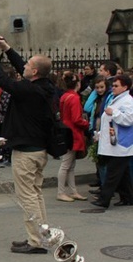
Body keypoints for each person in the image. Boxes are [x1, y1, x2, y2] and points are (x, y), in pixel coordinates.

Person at [0, 36, 55, 254]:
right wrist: (7, 49)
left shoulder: (29, 91)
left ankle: (36, 241)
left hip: (27, 153)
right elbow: (23, 67)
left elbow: (1, 80)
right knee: (35, 194)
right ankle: (42, 236)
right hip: (38, 150)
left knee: (28, 197)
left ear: (34, 72)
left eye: (28, 65)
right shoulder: (44, 86)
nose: (24, 65)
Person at [91, 74, 133, 208]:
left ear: (125, 87)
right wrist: (99, 134)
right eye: (113, 85)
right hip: (116, 143)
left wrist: (113, 113)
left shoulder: (128, 101)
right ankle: (128, 197)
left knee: (112, 173)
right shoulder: (117, 99)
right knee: (123, 173)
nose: (113, 88)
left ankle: (104, 200)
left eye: (116, 86)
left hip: (121, 144)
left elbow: (129, 120)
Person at [57, 72, 89, 202]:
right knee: (67, 164)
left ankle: (72, 191)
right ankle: (61, 192)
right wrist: (86, 123)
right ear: (78, 84)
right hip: (73, 133)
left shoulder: (65, 96)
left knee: (69, 164)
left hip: (66, 131)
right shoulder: (74, 98)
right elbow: (77, 119)